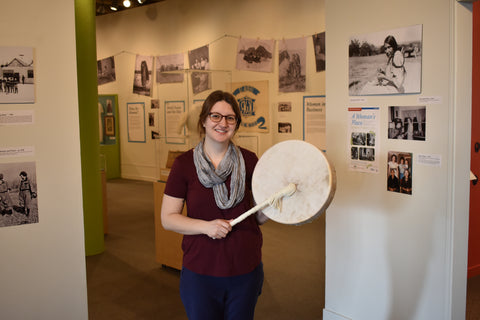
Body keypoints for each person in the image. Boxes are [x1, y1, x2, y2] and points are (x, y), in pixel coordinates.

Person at [161, 90, 266, 320]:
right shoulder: (184, 164)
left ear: (236, 123)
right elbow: (168, 218)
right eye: (215, 116)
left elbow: (257, 217)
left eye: (230, 118)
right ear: (204, 121)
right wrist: (206, 227)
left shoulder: (250, 160)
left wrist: (275, 206)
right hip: (201, 271)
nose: (222, 123)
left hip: (245, 268)